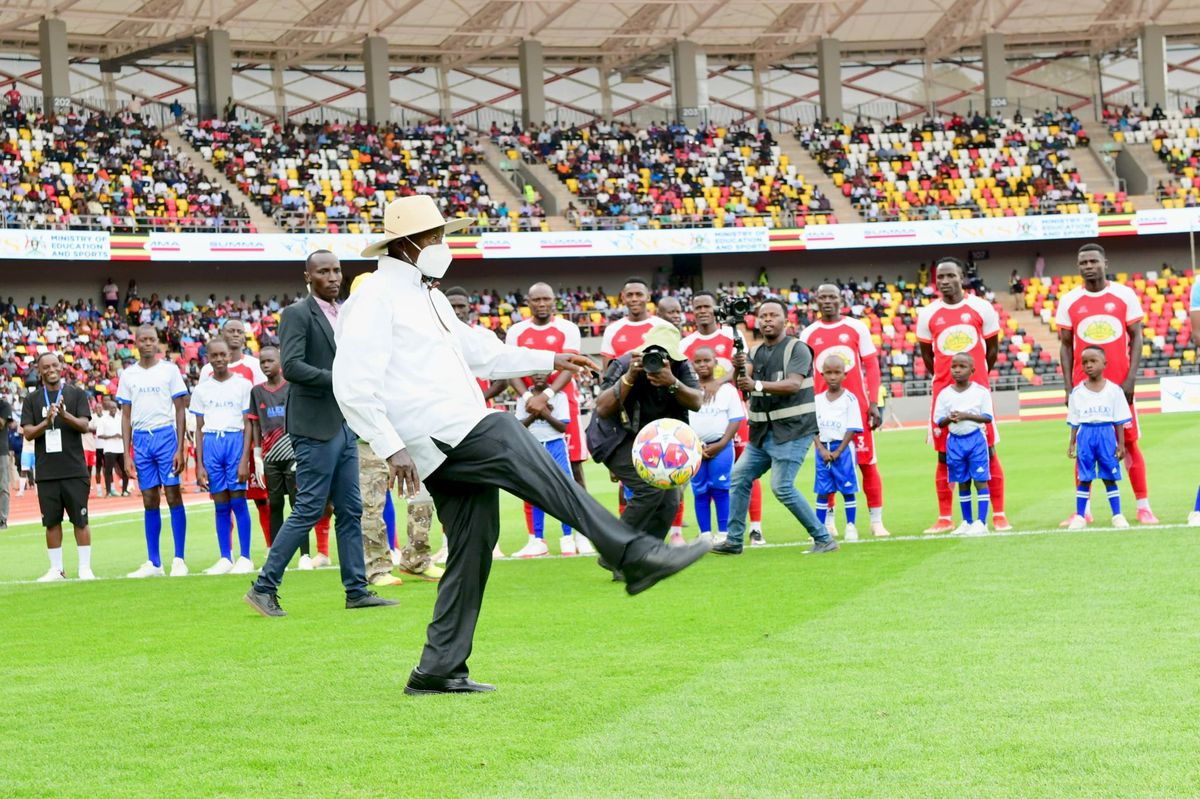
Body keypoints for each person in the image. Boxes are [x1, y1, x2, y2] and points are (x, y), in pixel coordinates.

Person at [331, 195, 708, 694]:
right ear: (407, 244)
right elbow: (351, 382)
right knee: (514, 438)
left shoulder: (430, 297)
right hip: (439, 429)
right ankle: (631, 553)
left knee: (473, 545)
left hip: (447, 435)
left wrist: (552, 358)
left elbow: (481, 353)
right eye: (436, 237)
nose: (444, 245)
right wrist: (390, 445)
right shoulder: (374, 296)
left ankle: (438, 668)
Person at [245, 251, 393, 616]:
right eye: (323, 271)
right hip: (314, 425)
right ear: (308, 276)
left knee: (350, 509)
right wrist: (342, 381)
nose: (333, 277)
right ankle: (264, 587)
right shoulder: (297, 314)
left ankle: (356, 590)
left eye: (337, 270)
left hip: (343, 423)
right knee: (309, 508)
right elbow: (292, 366)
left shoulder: (346, 313)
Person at [711, 299, 838, 556]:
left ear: (785, 320)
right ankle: (734, 540)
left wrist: (755, 385)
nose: (767, 320)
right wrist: (733, 373)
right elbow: (743, 373)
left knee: (782, 487)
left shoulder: (798, 349)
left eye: (773, 315)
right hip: (762, 433)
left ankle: (824, 538)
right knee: (739, 477)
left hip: (793, 431)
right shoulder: (755, 352)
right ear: (757, 322)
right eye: (763, 316)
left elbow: (792, 385)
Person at [1055, 243, 1156, 525]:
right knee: (1084, 445)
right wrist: (1067, 387)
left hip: (1119, 385)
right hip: (1083, 389)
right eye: (1083, 262)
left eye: (1093, 261)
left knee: (1131, 443)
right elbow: (1065, 346)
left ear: (1105, 263)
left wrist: (1131, 378)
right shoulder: (1069, 301)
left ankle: (1143, 505)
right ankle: (1083, 510)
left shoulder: (1124, 295)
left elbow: (1137, 337)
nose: (1088, 266)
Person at [916, 258, 1011, 533]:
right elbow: (928, 357)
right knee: (944, 454)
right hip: (943, 395)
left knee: (989, 450)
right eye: (940, 277)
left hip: (976, 391)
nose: (945, 281)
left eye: (950, 276)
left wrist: (978, 377)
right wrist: (946, 383)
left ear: (962, 277)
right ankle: (945, 517)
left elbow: (991, 349)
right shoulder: (928, 314)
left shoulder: (980, 307)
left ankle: (999, 513)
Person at [506, 281, 595, 556]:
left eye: (546, 299)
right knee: (530, 473)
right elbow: (510, 369)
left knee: (575, 470)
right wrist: (527, 399)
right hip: (528, 403)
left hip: (562, 404)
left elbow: (571, 367)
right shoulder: (517, 331)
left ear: (554, 301)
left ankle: (581, 533)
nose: (542, 304)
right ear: (528, 303)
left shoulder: (567, 328)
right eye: (536, 300)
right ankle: (537, 538)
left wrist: (544, 395)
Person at [591, 325, 704, 542]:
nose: (656, 360)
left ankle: (645, 555)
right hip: (615, 437)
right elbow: (603, 408)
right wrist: (629, 377)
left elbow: (697, 402)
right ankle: (612, 548)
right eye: (651, 353)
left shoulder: (679, 367)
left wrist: (672, 383)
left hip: (651, 439)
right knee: (649, 490)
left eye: (664, 355)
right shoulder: (625, 363)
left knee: (670, 499)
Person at [798, 284, 890, 537]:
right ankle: (829, 522)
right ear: (815, 300)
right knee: (826, 466)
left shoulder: (856, 327)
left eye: (832, 297)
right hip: (824, 414)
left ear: (842, 300)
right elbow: (804, 375)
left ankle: (876, 520)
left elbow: (871, 367)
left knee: (867, 463)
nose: (828, 301)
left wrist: (872, 403)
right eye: (822, 297)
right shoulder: (809, 333)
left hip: (856, 411)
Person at [682, 290, 765, 542]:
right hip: (702, 415)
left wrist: (719, 381)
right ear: (693, 311)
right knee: (702, 483)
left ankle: (755, 527)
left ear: (715, 308)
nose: (703, 310)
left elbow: (746, 369)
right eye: (698, 307)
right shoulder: (685, 344)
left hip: (730, 412)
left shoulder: (732, 335)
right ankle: (701, 531)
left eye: (707, 306)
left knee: (746, 468)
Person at [120, 324, 190, 578]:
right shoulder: (128, 375)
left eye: (152, 339)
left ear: (158, 342)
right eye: (143, 340)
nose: (148, 343)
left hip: (165, 436)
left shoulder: (169, 371)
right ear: (135, 343)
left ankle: (179, 559)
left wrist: (180, 447)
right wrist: (127, 453)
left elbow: (180, 408)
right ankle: (154, 562)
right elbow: (125, 415)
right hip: (141, 439)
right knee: (149, 498)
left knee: (173, 495)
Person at [21, 353, 94, 581]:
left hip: (74, 469)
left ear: (61, 367)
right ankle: (57, 570)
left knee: (80, 520)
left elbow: (84, 425)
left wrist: (64, 415)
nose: (51, 369)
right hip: (47, 472)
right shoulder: (32, 400)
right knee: (51, 522)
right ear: (39, 370)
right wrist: (47, 422)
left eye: (54, 365)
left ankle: (84, 568)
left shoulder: (76, 394)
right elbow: (28, 433)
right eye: (46, 366)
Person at [190, 338, 256, 575]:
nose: (219, 359)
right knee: (220, 504)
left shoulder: (243, 385)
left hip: (234, 440)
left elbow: (248, 425)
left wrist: (244, 459)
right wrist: (199, 464)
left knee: (238, 501)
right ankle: (225, 557)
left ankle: (245, 556)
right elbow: (198, 427)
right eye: (214, 355)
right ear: (208, 358)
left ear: (230, 356)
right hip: (211, 444)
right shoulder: (201, 389)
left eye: (223, 355)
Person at [248, 345, 316, 570]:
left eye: (270, 361)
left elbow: (303, 417)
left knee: (298, 503)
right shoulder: (257, 392)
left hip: (293, 452)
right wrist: (257, 454)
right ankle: (275, 553)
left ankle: (305, 554)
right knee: (274, 504)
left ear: (280, 361)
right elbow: (256, 423)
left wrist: (303, 448)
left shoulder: (292, 387)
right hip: (270, 456)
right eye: (262, 362)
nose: (266, 365)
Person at [1065, 347, 1131, 530]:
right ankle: (1080, 516)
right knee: (1084, 477)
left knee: (1109, 476)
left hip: (1106, 434)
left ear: (1104, 363)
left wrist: (1121, 444)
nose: (1088, 365)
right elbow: (1074, 420)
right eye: (1085, 362)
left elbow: (1118, 420)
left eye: (1093, 361)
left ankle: (1117, 515)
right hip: (1085, 434)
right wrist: (1072, 442)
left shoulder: (1114, 390)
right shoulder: (1077, 392)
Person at [512, 373, 575, 557]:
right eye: (535, 372)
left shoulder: (560, 396)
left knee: (565, 490)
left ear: (550, 374)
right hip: (534, 446)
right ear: (530, 377)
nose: (539, 375)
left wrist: (543, 412)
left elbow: (563, 427)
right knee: (536, 492)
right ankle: (539, 540)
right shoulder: (524, 398)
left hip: (556, 444)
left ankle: (567, 536)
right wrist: (537, 410)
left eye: (543, 371)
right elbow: (520, 425)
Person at [933, 353, 994, 536]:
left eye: (962, 366)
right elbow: (939, 421)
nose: (957, 370)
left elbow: (987, 418)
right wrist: (949, 419)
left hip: (975, 439)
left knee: (980, 480)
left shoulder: (980, 392)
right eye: (954, 367)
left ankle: (981, 522)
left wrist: (966, 415)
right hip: (955, 442)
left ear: (972, 370)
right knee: (962, 481)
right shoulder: (944, 394)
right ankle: (967, 521)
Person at [687, 347, 743, 543]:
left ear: (715, 362)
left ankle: (723, 532)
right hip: (695, 449)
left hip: (721, 447)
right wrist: (695, 446)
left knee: (720, 487)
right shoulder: (689, 390)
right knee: (699, 489)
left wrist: (722, 443)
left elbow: (735, 419)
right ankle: (704, 534)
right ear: (692, 364)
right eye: (698, 361)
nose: (703, 365)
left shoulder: (727, 390)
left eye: (707, 360)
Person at [813, 357, 862, 541]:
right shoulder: (817, 400)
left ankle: (850, 526)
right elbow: (812, 428)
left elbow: (852, 428)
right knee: (823, 490)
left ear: (844, 374)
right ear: (822, 374)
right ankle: (819, 530)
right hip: (822, 451)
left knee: (847, 489)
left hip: (843, 449)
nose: (833, 376)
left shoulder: (849, 399)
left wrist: (838, 451)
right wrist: (821, 449)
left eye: (837, 372)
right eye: (829, 372)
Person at [599, 277, 676, 366]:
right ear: (623, 298)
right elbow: (607, 374)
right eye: (629, 295)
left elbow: (675, 367)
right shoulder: (611, 330)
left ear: (648, 297)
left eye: (639, 294)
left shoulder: (664, 327)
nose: (634, 299)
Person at [93, 398, 129, 497]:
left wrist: (123, 435)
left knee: (125, 470)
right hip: (109, 448)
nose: (113, 409)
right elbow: (99, 434)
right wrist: (113, 436)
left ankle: (125, 490)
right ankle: (108, 492)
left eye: (115, 407)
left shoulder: (120, 418)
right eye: (111, 407)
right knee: (108, 471)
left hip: (121, 448)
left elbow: (126, 430)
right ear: (108, 408)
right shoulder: (103, 420)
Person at [0, 393, 11, 529]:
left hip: (1, 451)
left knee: (3, 487)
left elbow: (1, 424)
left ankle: (2, 519)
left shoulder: (4, 405)